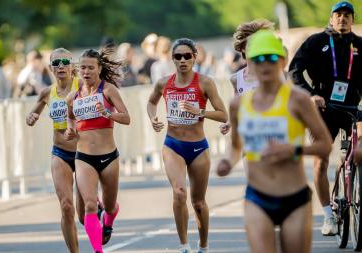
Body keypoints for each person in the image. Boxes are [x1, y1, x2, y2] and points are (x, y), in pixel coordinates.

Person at [217, 30, 333, 253]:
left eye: (271, 58)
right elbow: (235, 146)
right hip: (257, 197)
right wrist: (227, 162)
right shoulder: (238, 104)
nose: (265, 64)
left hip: (294, 198)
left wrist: (294, 149)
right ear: (249, 62)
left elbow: (325, 144)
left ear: (282, 61)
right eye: (258, 59)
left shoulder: (298, 100)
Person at [289, 1, 362, 235]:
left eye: (347, 15)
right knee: (320, 162)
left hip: (352, 108)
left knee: (360, 153)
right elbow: (294, 71)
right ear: (331, 19)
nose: (342, 18)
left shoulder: (360, 45)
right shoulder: (316, 42)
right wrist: (311, 95)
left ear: (352, 20)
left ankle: (351, 171)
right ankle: (328, 216)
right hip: (324, 110)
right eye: (338, 15)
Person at [147, 38, 228, 253]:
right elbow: (151, 102)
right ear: (172, 59)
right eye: (177, 57)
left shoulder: (205, 82)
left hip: (198, 148)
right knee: (179, 193)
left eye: (187, 56)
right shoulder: (164, 82)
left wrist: (199, 112)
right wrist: (153, 118)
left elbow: (223, 114)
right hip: (173, 145)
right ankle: (184, 246)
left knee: (199, 203)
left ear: (194, 57)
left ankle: (203, 246)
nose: (182, 60)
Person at [66, 48, 130, 253]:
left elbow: (126, 118)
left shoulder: (108, 90)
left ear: (99, 69)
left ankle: (109, 220)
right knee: (90, 207)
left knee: (110, 207)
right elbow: (70, 118)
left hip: (109, 157)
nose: (86, 71)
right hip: (84, 158)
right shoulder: (73, 96)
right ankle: (98, 251)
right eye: (82, 67)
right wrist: (70, 129)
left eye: (90, 67)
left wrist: (109, 114)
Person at [26, 48, 86, 253]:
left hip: (84, 153)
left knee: (84, 214)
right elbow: (32, 115)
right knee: (67, 207)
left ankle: (100, 208)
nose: (61, 66)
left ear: (72, 67)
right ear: (51, 68)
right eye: (56, 63)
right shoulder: (47, 93)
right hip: (60, 152)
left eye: (65, 62)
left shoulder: (83, 87)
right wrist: (31, 118)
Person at [220, 19, 275, 135]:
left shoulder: (275, 75)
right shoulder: (236, 79)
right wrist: (229, 122)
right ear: (243, 48)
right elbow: (237, 106)